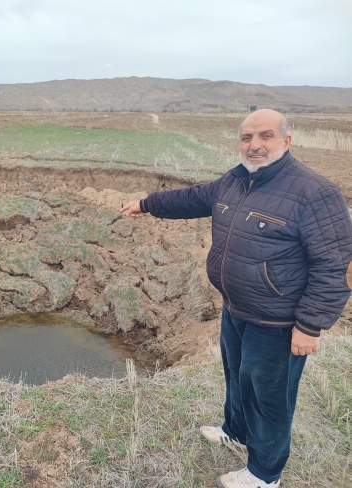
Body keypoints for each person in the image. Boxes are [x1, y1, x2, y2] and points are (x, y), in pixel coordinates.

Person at [120, 109, 352, 488]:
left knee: (269, 397)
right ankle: (236, 431)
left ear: (286, 141)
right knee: (236, 377)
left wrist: (310, 325)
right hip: (237, 307)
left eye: (265, 136)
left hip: (278, 320)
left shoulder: (315, 192)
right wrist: (146, 204)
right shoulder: (237, 180)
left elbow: (336, 265)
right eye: (247, 137)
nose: (254, 145)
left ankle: (265, 473)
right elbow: (192, 198)